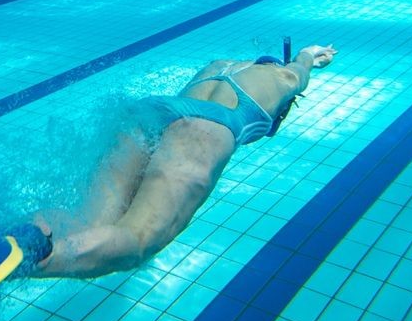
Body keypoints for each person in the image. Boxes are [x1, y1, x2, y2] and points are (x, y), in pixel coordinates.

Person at [27, 44, 339, 278]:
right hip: (204, 128)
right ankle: (40, 261)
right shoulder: (284, 78)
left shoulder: (220, 64)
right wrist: (311, 56)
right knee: (137, 240)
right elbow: (302, 64)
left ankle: (30, 231)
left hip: (150, 112)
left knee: (88, 221)